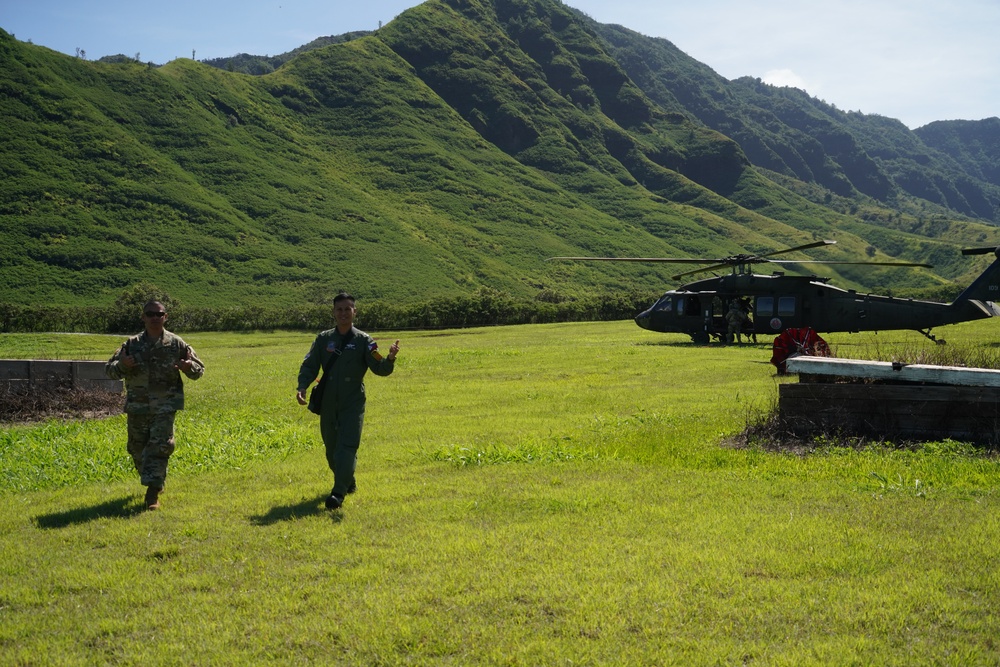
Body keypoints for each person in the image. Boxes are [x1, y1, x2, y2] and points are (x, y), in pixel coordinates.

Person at [296, 292, 399, 510]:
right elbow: (310, 364)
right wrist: (302, 387)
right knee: (332, 450)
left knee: (347, 446)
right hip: (328, 402)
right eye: (339, 309)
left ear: (354, 312)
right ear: (333, 312)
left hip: (352, 402)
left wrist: (389, 358)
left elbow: (379, 368)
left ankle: (338, 494)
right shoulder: (324, 339)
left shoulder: (364, 341)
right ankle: (347, 480)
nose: (343, 313)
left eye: (347, 309)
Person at [105, 300, 205, 510]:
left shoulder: (176, 344)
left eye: (159, 314)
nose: (154, 318)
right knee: (136, 448)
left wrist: (188, 367)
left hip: (165, 406)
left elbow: (199, 370)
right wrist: (122, 365)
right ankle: (153, 478)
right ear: (143, 317)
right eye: (150, 314)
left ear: (165, 317)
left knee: (161, 446)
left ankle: (153, 492)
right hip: (137, 406)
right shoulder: (131, 344)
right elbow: (109, 370)